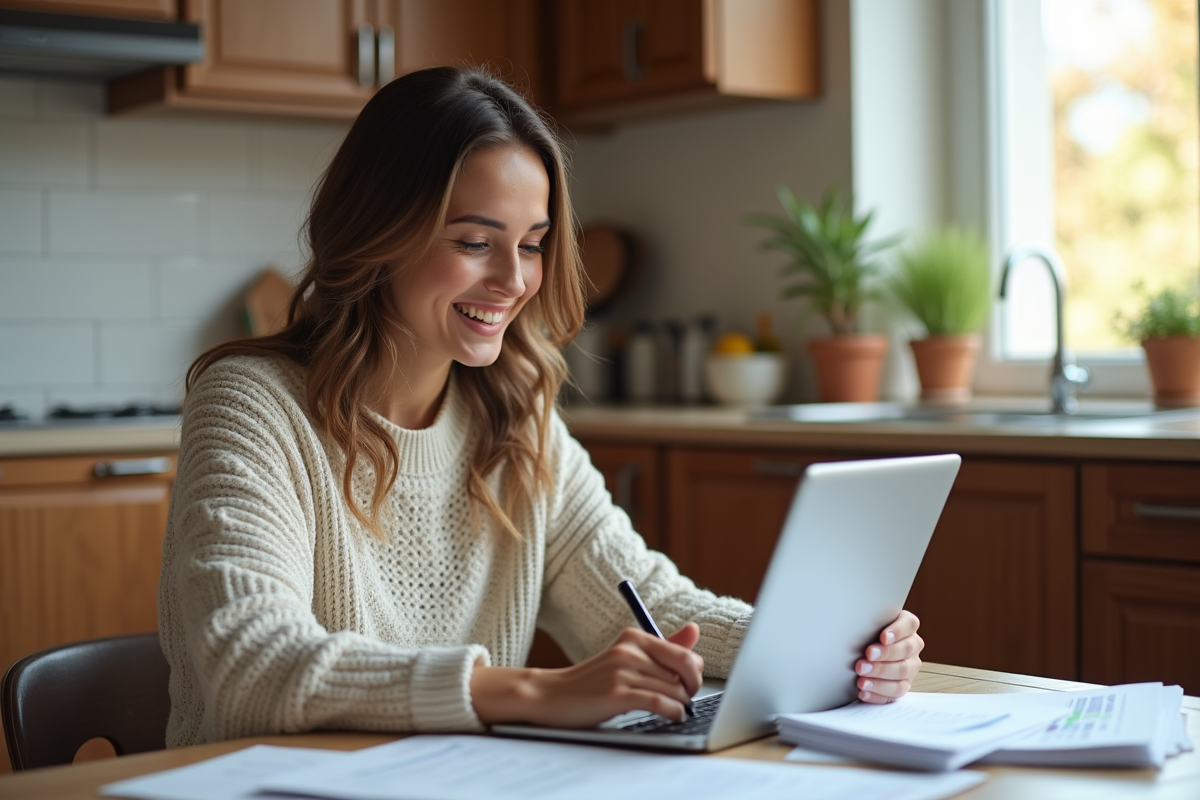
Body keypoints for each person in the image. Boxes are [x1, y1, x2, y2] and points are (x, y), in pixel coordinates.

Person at [159, 66, 924, 748]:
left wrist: (826, 645)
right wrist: (539, 691)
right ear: (378, 234)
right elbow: (252, 661)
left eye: (531, 244)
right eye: (473, 240)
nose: (512, 280)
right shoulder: (255, 406)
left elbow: (644, 601)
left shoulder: (514, 413)